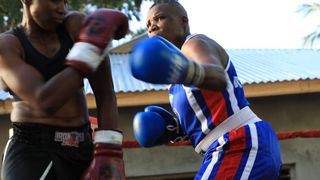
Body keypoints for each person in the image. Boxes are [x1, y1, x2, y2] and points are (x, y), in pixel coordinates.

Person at [130, 0, 282, 179]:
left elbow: (217, 76)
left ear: (183, 21)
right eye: (148, 24)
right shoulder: (174, 79)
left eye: (159, 18)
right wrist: (174, 130)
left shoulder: (194, 43)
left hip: (240, 142)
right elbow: (209, 118)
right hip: (228, 146)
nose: (152, 26)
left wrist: (183, 71)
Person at [0, 0, 128, 179]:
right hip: (33, 150)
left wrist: (108, 152)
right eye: (54, 0)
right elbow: (44, 101)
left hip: (81, 146)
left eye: (65, 1)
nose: (62, 8)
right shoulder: (8, 45)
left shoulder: (74, 26)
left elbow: (105, 94)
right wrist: (91, 49)